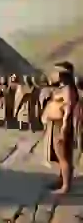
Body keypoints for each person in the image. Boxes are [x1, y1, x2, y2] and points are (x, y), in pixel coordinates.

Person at [42, 61, 80, 194]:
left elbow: (69, 109)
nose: (53, 75)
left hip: (61, 125)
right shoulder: (61, 88)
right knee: (58, 156)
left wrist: (64, 128)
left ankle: (66, 186)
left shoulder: (69, 89)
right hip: (54, 124)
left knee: (64, 156)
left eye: (56, 72)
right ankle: (61, 179)